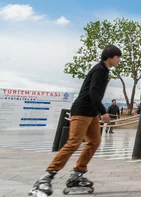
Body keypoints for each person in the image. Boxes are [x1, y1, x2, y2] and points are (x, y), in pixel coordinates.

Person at [28, 45, 121, 196]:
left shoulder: (104, 71)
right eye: (118, 57)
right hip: (82, 110)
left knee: (94, 142)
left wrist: (98, 112)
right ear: (110, 56)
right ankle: (45, 178)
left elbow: (95, 94)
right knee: (74, 142)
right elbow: (93, 92)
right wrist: (104, 112)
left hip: (91, 113)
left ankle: (77, 174)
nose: (119, 60)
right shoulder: (99, 70)